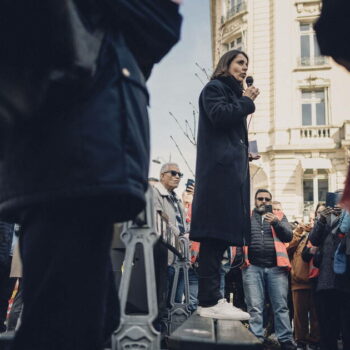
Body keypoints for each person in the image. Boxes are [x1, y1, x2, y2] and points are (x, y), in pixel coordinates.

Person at [0, 2, 182, 349]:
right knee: (63, 322)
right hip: (66, 154)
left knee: (93, 317)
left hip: (89, 156)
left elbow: (157, 34)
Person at [190, 49, 259, 319]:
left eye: (246, 64)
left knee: (218, 239)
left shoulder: (230, 94)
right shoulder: (214, 88)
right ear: (226, 64)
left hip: (227, 174)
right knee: (213, 236)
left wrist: (244, 152)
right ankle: (208, 301)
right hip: (218, 177)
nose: (244, 68)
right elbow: (219, 116)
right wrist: (245, 101)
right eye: (240, 63)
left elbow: (226, 131)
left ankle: (213, 299)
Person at [242, 189, 296, 350]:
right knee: (254, 306)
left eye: (267, 199)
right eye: (260, 198)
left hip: (276, 268)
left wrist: (275, 222)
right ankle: (256, 339)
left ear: (271, 202)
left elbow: (288, 236)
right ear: (255, 200)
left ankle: (285, 339)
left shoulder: (279, 216)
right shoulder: (247, 217)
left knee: (281, 306)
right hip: (252, 267)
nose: (264, 201)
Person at [309, 198, 350, 350]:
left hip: (346, 282)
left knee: (347, 329)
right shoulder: (325, 221)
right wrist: (321, 220)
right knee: (327, 330)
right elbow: (313, 239)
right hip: (327, 282)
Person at [152, 163, 187, 305]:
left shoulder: (176, 199)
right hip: (164, 257)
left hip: (179, 258)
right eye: (173, 173)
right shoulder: (154, 193)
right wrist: (181, 235)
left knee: (176, 304)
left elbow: (180, 224)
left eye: (180, 174)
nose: (177, 177)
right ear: (162, 175)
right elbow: (159, 221)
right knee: (161, 302)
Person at [287, 220, 320, 350]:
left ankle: (315, 340)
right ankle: (301, 340)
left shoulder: (319, 235)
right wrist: (299, 232)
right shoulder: (301, 236)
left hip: (317, 281)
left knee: (316, 314)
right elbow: (288, 247)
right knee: (299, 315)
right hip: (299, 281)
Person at [0, 222, 16, 333]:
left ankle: (1, 325)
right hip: (3, 259)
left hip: (14, 261)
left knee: (5, 295)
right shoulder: (5, 218)